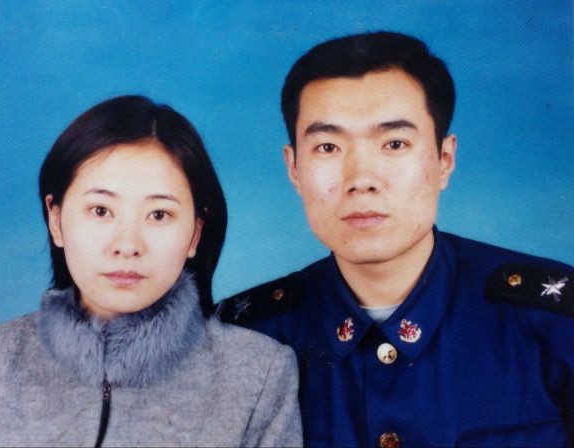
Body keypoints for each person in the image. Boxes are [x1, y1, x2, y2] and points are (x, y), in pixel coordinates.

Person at [215, 32, 574, 447]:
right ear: (294, 168)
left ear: (444, 160)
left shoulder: (552, 324)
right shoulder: (244, 339)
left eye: (395, 143)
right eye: (328, 146)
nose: (361, 179)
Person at [0, 95, 302, 447]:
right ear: (56, 220)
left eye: (158, 214)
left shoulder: (259, 374)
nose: (127, 244)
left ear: (195, 233)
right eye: (100, 211)